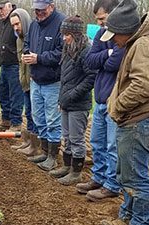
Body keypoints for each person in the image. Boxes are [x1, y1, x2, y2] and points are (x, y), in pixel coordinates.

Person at [99, 0, 149, 225]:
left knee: (136, 176)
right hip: (135, 119)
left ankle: (141, 224)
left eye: (115, 34)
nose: (114, 39)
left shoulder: (143, 44)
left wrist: (118, 107)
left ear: (127, 31)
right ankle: (127, 216)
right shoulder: (135, 42)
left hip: (139, 120)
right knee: (126, 173)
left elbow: (143, 85)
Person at [75, 0, 124, 202]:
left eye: (102, 19)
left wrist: (105, 56)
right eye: (98, 19)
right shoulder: (101, 34)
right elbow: (90, 60)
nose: (100, 23)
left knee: (113, 145)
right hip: (101, 97)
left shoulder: (123, 36)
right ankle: (99, 177)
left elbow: (114, 64)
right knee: (96, 142)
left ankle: (112, 184)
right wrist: (108, 53)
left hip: (115, 98)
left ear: (114, 15)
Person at [49, 16, 96, 185]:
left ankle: (76, 172)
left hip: (79, 103)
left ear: (75, 34)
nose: (64, 38)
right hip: (67, 102)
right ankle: (67, 166)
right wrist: (63, 99)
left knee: (76, 139)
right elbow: (66, 77)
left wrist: (72, 94)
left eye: (67, 34)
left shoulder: (86, 51)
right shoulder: (68, 49)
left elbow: (91, 78)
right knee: (67, 137)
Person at [23, 0, 65, 171]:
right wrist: (26, 54)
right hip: (36, 79)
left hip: (53, 81)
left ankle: (53, 157)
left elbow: (61, 52)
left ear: (51, 7)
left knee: (52, 120)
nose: (39, 13)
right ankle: (44, 151)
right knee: (38, 118)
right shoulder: (34, 25)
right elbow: (27, 43)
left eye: (42, 10)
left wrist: (39, 58)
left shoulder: (61, 23)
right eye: (36, 10)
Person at [9, 9, 40, 156]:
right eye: (13, 25)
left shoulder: (34, 37)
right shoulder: (18, 40)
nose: (15, 28)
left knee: (35, 114)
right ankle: (28, 142)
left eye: (17, 24)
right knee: (28, 113)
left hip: (35, 81)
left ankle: (36, 146)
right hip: (25, 82)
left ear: (24, 21)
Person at [0, 0, 24, 132]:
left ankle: (16, 123)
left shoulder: (17, 19)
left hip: (15, 64)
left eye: (1, 8)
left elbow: (22, 38)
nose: (0, 12)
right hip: (4, 64)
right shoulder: (1, 22)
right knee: (2, 93)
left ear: (9, 6)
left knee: (15, 95)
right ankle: (6, 120)